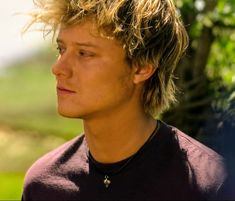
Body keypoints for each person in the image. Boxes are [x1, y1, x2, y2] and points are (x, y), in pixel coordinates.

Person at [21, 0, 230, 200]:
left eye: (84, 53)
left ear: (142, 67)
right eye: (61, 49)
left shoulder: (212, 185)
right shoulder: (43, 185)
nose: (58, 69)